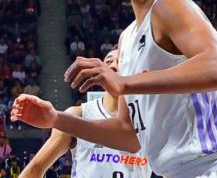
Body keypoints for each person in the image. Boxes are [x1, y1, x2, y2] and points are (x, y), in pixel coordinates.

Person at [12, 0, 217, 178]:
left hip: (214, 167)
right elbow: (128, 136)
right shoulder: (128, 38)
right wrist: (56, 119)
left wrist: (123, 82)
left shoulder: (170, 4)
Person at [19, 49, 150, 178]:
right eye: (108, 62)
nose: (113, 66)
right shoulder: (78, 115)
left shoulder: (150, 120)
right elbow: (35, 168)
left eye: (120, 61)